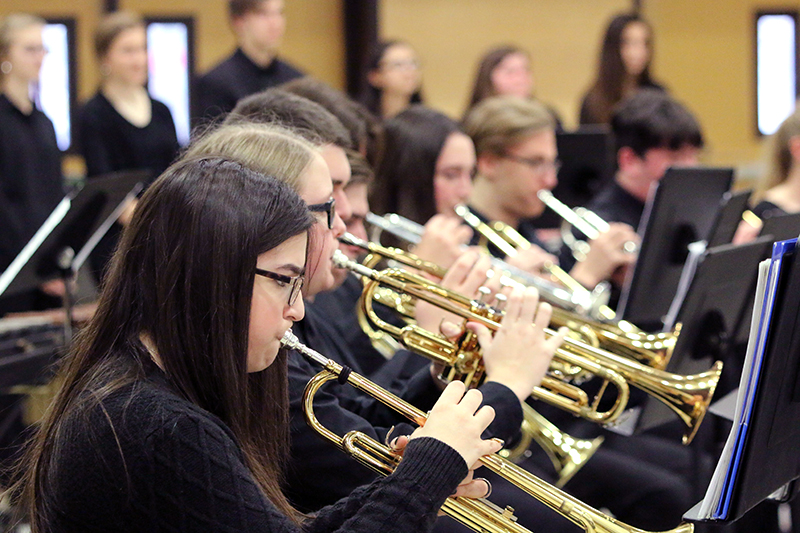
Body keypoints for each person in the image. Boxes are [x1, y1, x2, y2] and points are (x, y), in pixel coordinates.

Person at [12, 155, 504, 531]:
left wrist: (413, 478)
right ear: (213, 277)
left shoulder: (149, 390)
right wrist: (427, 470)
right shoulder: (157, 425)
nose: (298, 309)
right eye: (284, 281)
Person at [183, 119, 572, 532]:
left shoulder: (285, 320)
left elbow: (359, 415)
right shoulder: (180, 421)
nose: (346, 218)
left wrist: (439, 391)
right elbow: (353, 456)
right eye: (327, 204)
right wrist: (504, 385)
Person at [462, 96, 638, 292]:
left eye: (552, 164)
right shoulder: (460, 244)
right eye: (536, 163)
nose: (550, 181)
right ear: (489, 163)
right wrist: (585, 278)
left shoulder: (527, 236)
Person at [77, 11, 180, 282]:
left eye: (142, 49)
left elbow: (178, 170)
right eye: (128, 51)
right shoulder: (93, 114)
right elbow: (108, 188)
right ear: (105, 58)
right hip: (121, 242)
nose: (139, 59)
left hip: (166, 233)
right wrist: (156, 227)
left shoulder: (161, 110)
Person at [0, 13, 64, 281]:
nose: (39, 57)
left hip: (47, 262)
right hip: (11, 263)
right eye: (29, 49)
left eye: (42, 49)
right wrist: (33, 267)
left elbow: (53, 194)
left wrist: (57, 260)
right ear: (5, 55)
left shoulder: (44, 122)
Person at [586, 89, 704, 232]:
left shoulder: (686, 213)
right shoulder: (597, 226)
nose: (691, 167)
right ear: (629, 160)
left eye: (692, 155)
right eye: (676, 157)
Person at [193, 0, 303, 124]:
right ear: (239, 21)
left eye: (279, 13)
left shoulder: (297, 79)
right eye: (263, 14)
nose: (275, 23)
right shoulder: (214, 84)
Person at [579, 13, 665, 126]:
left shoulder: (659, 95)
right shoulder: (593, 101)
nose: (639, 52)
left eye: (645, 43)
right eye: (629, 43)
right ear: (613, 48)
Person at [463, 45, 561, 127]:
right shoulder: (474, 122)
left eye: (526, 70)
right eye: (511, 72)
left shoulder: (548, 116)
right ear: (488, 77)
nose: (521, 78)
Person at [359, 40, 423, 119]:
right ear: (375, 76)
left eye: (413, 63)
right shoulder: (362, 121)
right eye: (398, 65)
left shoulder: (428, 121)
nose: (409, 72)